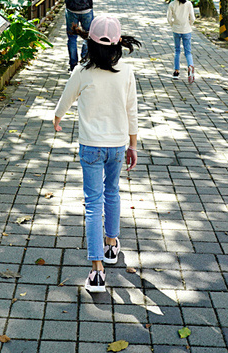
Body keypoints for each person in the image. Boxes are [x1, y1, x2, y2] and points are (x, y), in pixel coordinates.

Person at [53, 15, 140, 293]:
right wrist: (133, 144)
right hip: (116, 145)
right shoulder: (126, 71)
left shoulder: (82, 70)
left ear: (90, 42)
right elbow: (132, 111)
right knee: (112, 192)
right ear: (117, 44)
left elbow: (66, 98)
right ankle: (111, 245)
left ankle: (97, 271)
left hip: (90, 145)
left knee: (93, 204)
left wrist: (57, 117)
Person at [166, 0, 196, 82]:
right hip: (186, 30)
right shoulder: (188, 4)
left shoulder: (172, 4)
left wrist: (173, 25)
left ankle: (176, 71)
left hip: (176, 30)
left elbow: (169, 18)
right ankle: (190, 66)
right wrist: (189, 25)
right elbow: (192, 18)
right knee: (188, 51)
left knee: (177, 50)